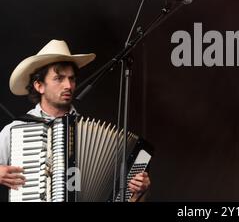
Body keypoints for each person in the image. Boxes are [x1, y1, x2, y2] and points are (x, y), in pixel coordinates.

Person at [0, 39, 150, 201]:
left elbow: (127, 198)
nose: (68, 85)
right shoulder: (17, 130)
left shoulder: (92, 134)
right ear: (39, 86)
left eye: (71, 79)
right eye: (59, 78)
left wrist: (139, 190)